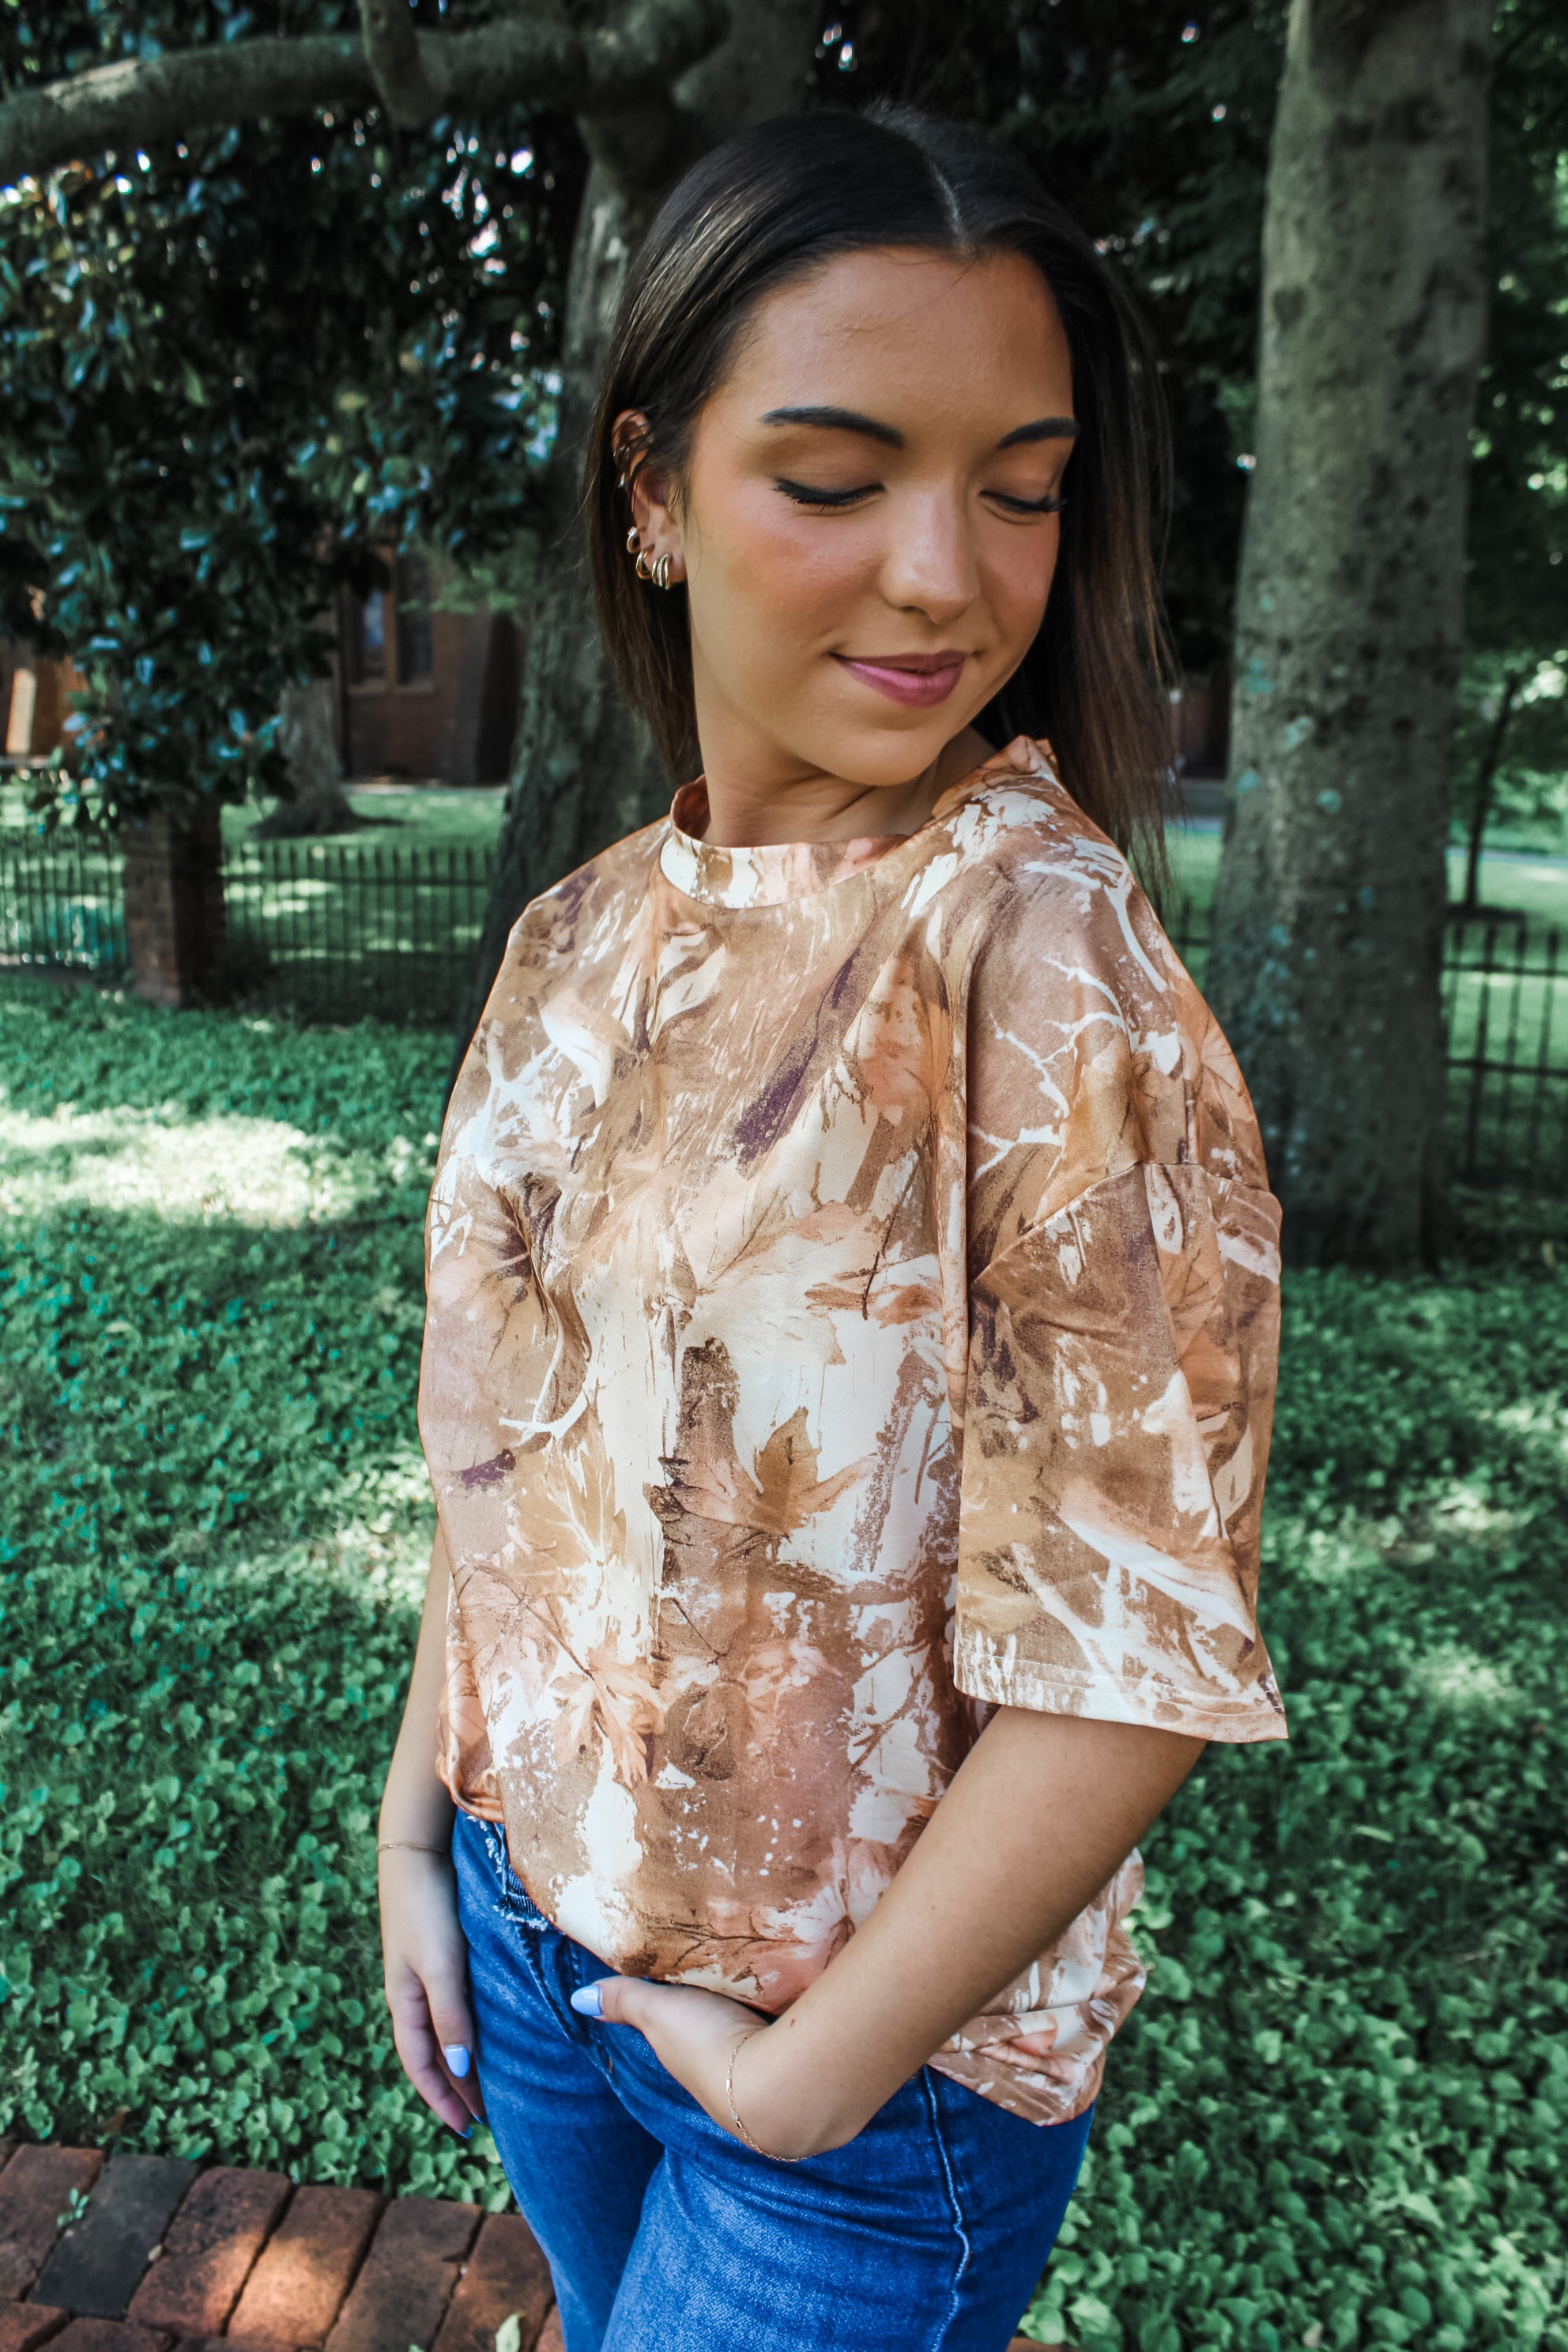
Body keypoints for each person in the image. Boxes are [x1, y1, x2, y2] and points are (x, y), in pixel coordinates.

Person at [378, 104, 1287, 2352]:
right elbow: (513, 1458)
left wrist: (811, 2079)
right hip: (543, 1952)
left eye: (1022, 489)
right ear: (652, 492)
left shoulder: (1036, 956)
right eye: (836, 477)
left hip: (863, 2097)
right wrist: (420, 1831)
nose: (948, 575)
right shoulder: (583, 937)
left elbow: (1135, 1655)